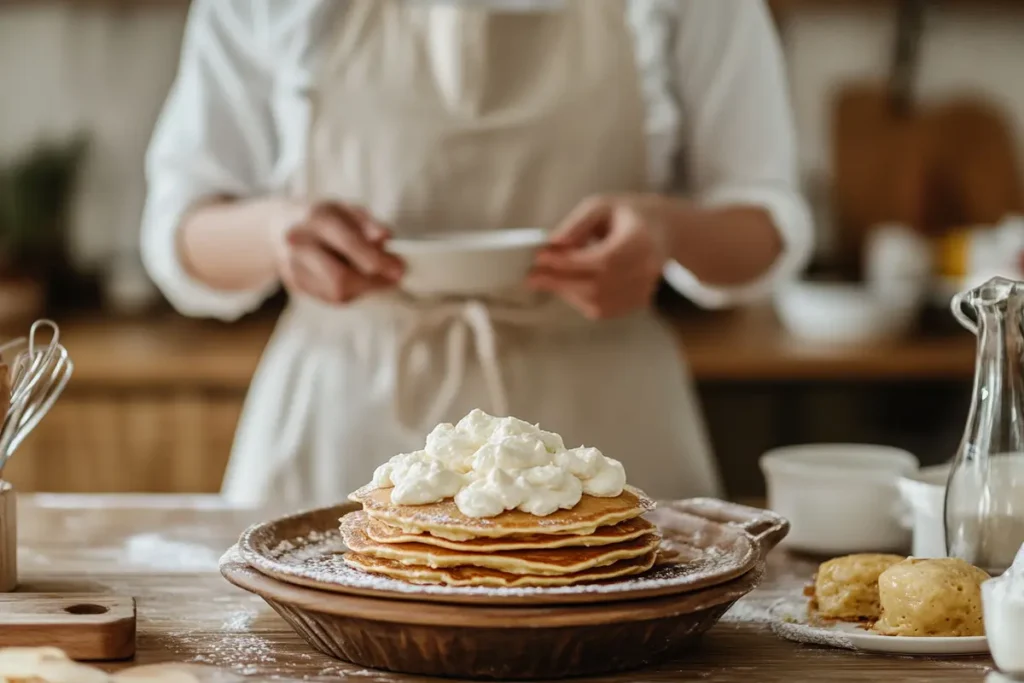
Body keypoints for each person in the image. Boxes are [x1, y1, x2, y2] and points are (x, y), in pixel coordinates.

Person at [141, 0, 812, 509]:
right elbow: (180, 228)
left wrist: (670, 234)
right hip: (342, 424)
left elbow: (767, 226)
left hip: (604, 430)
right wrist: (273, 233)